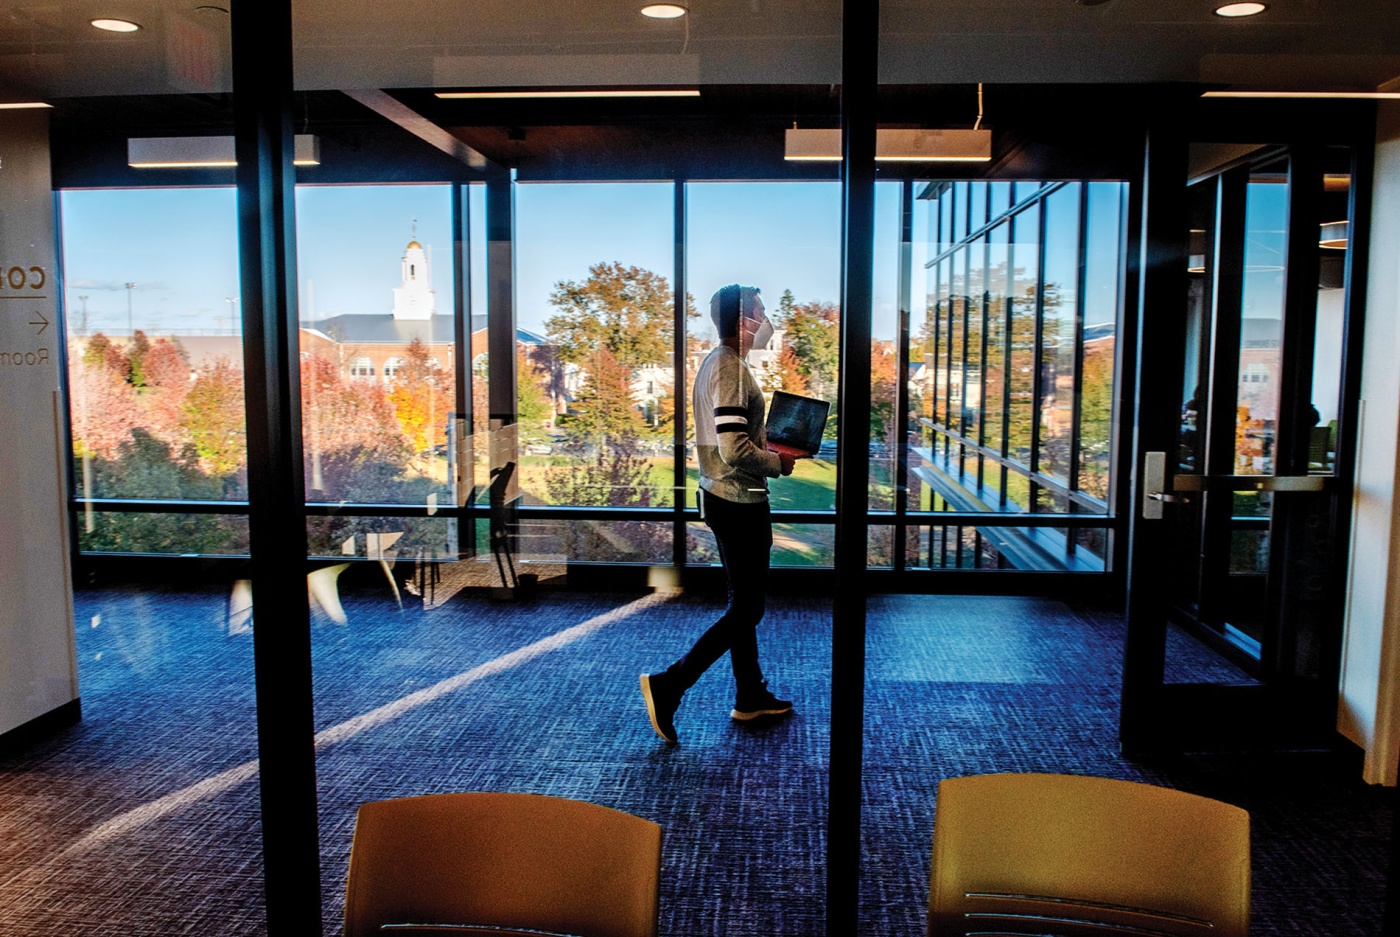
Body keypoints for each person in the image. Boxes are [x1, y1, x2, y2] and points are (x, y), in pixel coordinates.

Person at [640, 284, 799, 744]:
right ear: (742, 321)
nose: (767, 320)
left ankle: (750, 695)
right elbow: (733, 448)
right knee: (749, 608)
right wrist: (778, 463)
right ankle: (670, 685)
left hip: (722, 496)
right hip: (739, 500)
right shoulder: (729, 367)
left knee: (741, 606)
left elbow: (731, 435)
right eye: (761, 312)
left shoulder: (718, 363)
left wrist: (772, 439)